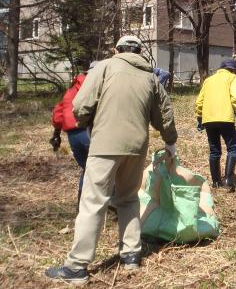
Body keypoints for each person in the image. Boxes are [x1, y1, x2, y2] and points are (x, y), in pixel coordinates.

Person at [45, 36, 177, 284]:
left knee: (94, 202)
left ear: (116, 50)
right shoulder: (150, 76)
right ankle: (131, 255)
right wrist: (170, 142)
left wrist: (85, 124)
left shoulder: (105, 66)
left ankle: (76, 267)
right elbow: (165, 114)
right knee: (128, 199)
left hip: (105, 144)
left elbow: (81, 104)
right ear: (139, 52)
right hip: (137, 147)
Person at [49, 62, 97, 205]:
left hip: (72, 135)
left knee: (87, 168)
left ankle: (81, 204)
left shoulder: (72, 88)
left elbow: (58, 112)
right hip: (87, 130)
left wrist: (56, 133)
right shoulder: (93, 86)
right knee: (103, 167)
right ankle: (112, 204)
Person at [195, 59, 236, 189]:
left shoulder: (208, 80)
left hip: (208, 120)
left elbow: (199, 101)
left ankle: (216, 182)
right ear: (232, 70)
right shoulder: (232, 78)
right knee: (232, 148)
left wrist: (199, 117)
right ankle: (229, 180)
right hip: (225, 118)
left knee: (214, 151)